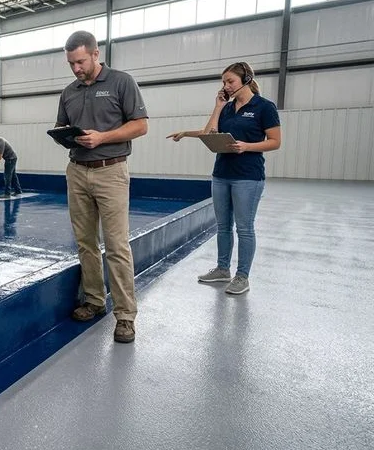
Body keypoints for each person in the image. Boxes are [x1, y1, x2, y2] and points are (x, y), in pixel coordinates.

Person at [56, 31, 148, 343]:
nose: (76, 68)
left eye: (81, 61)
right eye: (71, 63)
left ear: (96, 54)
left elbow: (141, 125)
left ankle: (125, 316)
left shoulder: (121, 82)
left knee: (117, 245)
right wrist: (65, 136)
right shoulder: (68, 92)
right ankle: (94, 300)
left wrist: (101, 138)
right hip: (77, 171)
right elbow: (61, 126)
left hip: (111, 171)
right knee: (85, 242)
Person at [166, 62, 281, 295]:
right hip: (221, 175)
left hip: (248, 177)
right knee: (223, 226)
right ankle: (222, 269)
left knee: (244, 228)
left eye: (230, 81)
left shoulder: (264, 107)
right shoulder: (227, 108)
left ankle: (242, 276)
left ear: (246, 79)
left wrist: (247, 146)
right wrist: (217, 107)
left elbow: (275, 141)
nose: (226, 86)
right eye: (224, 82)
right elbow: (209, 133)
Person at [0, 132, 23, 198]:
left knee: (7, 176)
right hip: (12, 158)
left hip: (10, 159)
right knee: (13, 175)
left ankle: (7, 194)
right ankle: (18, 191)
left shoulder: (0, 142)